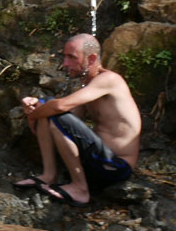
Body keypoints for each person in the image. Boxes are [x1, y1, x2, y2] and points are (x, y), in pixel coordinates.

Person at [13, 33, 142, 207]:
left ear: (91, 59)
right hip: (97, 163)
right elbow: (70, 119)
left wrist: (33, 116)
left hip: (116, 168)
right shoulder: (88, 84)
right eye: (65, 57)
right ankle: (48, 175)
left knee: (51, 106)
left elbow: (60, 108)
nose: (65, 63)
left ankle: (80, 189)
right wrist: (36, 106)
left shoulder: (109, 80)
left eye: (71, 57)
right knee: (47, 106)